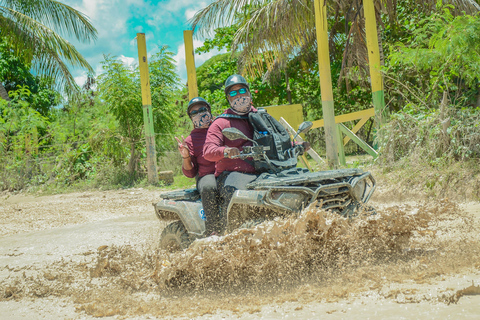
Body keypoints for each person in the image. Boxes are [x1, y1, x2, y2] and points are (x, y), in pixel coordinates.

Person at [203, 74, 261, 234]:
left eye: (242, 91)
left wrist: (296, 145)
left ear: (249, 93)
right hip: (231, 175)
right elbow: (208, 151)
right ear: (228, 98)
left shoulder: (260, 117)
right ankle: (227, 234)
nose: (239, 96)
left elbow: (277, 139)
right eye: (233, 93)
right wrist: (226, 151)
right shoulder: (221, 122)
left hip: (263, 172)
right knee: (233, 190)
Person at [175, 97, 221, 236]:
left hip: (227, 171)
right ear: (191, 118)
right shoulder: (191, 140)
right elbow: (190, 173)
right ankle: (213, 229)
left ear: (209, 111)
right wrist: (185, 156)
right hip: (208, 176)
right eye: (194, 113)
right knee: (208, 187)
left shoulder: (220, 127)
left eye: (202, 110)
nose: (199, 114)